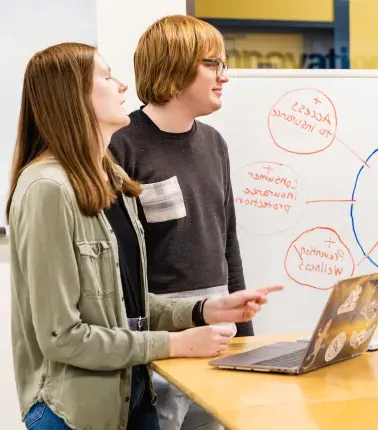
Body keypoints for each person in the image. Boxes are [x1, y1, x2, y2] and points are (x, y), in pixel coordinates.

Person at [7, 42, 282, 430]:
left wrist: (202, 310)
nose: (122, 86)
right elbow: (63, 337)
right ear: (71, 96)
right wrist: (175, 345)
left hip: (132, 396)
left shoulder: (113, 180)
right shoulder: (47, 188)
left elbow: (126, 308)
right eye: (106, 76)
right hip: (73, 414)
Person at [108, 15, 252, 430]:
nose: (224, 76)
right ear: (173, 69)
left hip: (220, 326)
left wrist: (245, 334)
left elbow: (228, 242)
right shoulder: (121, 145)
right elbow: (119, 262)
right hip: (160, 336)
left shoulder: (214, 143)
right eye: (213, 64)